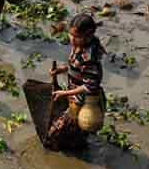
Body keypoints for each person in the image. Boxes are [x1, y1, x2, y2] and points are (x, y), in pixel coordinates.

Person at [44, 14, 106, 151]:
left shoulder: (90, 58)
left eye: (76, 36)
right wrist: (61, 70)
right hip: (74, 93)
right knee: (74, 132)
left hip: (83, 100)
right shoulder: (79, 46)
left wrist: (64, 92)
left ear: (88, 37)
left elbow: (89, 86)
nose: (72, 39)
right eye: (70, 35)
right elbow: (75, 66)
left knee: (55, 133)